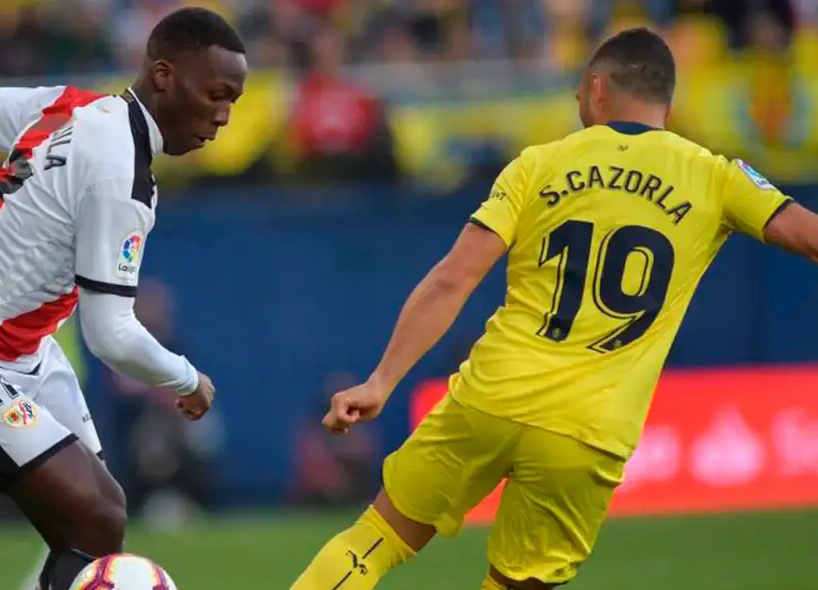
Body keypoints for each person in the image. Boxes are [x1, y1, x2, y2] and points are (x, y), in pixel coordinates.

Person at [291, 27, 818, 590]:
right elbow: (810, 238)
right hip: (586, 428)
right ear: (669, 98)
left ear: (596, 88)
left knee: (374, 540)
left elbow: (453, 279)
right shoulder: (715, 176)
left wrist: (381, 381)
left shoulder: (538, 163)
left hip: (492, 395)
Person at [0, 8, 247, 590]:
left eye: (233, 101)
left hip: (19, 350)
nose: (222, 117)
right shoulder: (123, 177)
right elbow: (111, 333)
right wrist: (186, 379)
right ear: (165, 75)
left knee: (95, 522)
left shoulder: (74, 106)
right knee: (97, 517)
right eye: (215, 94)